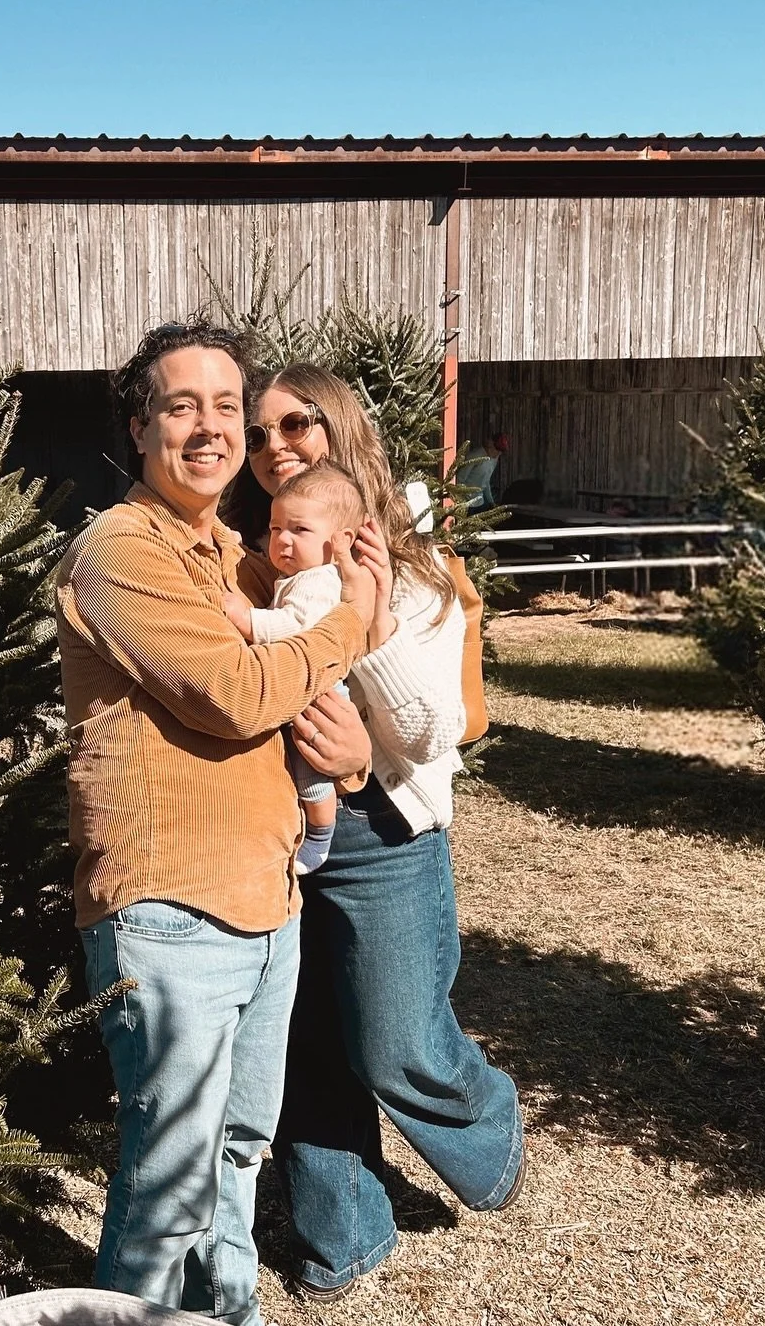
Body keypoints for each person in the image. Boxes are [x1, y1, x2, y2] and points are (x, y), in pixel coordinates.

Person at [54, 320, 379, 1326]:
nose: (211, 427)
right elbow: (242, 693)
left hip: (266, 898)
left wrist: (354, 757)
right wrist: (352, 622)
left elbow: (311, 700)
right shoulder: (119, 552)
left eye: (226, 405)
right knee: (166, 1190)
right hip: (169, 912)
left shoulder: (241, 558)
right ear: (140, 427)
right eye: (182, 405)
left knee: (238, 1157)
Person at [226, 363, 526, 1303]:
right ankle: (341, 1230)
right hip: (274, 829)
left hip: (385, 827)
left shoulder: (426, 574)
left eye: (296, 425)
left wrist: (373, 652)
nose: (277, 446)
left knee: (393, 1036)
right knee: (304, 1041)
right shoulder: (253, 561)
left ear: (341, 430)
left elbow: (441, 728)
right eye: (261, 430)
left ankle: (489, 1137)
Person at [222, 460, 367, 874]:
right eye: (275, 529)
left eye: (300, 530)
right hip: (301, 685)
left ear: (341, 541)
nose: (283, 540)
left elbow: (297, 629)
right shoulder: (297, 575)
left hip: (318, 696)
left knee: (310, 767)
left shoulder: (321, 582)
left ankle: (321, 836)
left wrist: (247, 619)